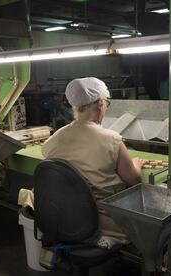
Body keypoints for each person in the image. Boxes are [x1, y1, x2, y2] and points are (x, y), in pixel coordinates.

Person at [41, 77, 144, 248]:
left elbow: (48, 155)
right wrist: (137, 164)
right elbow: (134, 180)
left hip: (64, 216)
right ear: (100, 104)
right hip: (102, 222)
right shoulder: (111, 139)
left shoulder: (56, 137)